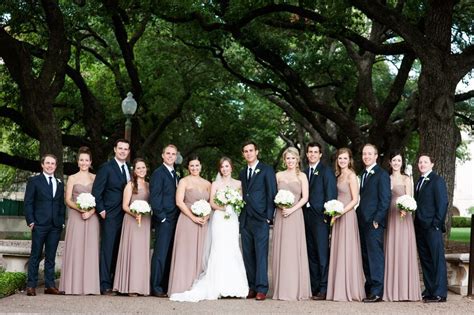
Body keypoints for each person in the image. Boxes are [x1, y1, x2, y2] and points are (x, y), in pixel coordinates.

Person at [170, 157, 248, 302]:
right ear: (220, 169)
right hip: (219, 218)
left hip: (231, 220)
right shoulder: (215, 184)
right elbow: (211, 202)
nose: (225, 169)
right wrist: (225, 207)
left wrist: (233, 207)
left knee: (232, 248)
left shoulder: (238, 184)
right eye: (222, 167)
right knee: (218, 248)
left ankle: (234, 286)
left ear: (231, 168)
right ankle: (217, 285)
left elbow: (241, 202)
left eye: (227, 166)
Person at [239, 141, 277, 301]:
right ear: (243, 154)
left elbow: (272, 193)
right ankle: (252, 286)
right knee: (248, 254)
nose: (249, 153)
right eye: (246, 151)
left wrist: (269, 216)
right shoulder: (242, 172)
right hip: (246, 219)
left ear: (257, 152)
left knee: (261, 254)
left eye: (251, 150)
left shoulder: (267, 170)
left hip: (261, 218)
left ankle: (262, 288)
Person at [92, 139, 131, 295]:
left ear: (128, 151)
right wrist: (101, 210)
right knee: (107, 249)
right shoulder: (106, 168)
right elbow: (96, 191)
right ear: (115, 149)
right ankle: (104, 284)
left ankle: (117, 282)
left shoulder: (129, 169)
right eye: (120, 148)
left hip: (126, 215)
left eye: (125, 149)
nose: (122, 151)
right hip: (110, 214)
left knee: (119, 248)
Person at [168, 155, 211, 295]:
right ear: (188, 168)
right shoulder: (183, 181)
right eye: (192, 166)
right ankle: (182, 284)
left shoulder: (207, 184)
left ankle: (198, 284)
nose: (194, 168)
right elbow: (179, 202)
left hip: (203, 223)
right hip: (187, 220)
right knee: (186, 252)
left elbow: (211, 203)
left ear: (201, 166)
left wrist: (206, 216)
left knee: (201, 252)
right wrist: (193, 217)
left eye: (197, 165)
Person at [272, 147, 311, 301]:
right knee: (282, 249)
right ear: (284, 160)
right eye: (288, 158)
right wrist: (280, 206)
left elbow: (305, 197)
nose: (290, 161)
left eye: (293, 158)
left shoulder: (302, 176)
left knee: (294, 250)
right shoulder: (278, 175)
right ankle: (281, 288)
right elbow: (273, 195)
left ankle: (295, 288)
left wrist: (292, 209)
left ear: (297, 160)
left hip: (295, 215)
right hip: (281, 215)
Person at [59, 147, 100, 295]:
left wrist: (91, 211)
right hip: (76, 217)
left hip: (92, 217)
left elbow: (99, 199)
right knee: (75, 249)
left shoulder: (95, 178)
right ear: (78, 162)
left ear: (90, 162)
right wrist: (80, 208)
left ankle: (89, 286)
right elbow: (67, 199)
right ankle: (73, 285)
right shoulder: (72, 178)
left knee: (90, 250)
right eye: (81, 160)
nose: (84, 162)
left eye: (86, 160)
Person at [326, 148, 365, 301]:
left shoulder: (351, 175)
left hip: (347, 215)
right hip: (336, 216)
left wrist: (341, 212)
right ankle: (338, 287)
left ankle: (349, 287)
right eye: (340, 158)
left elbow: (355, 199)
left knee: (347, 250)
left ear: (350, 160)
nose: (342, 161)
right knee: (338, 249)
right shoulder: (338, 175)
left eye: (345, 158)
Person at [24, 154, 66, 296]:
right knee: (35, 255)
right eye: (47, 163)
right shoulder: (34, 181)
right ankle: (31, 285)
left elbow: (61, 204)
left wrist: (61, 222)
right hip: (39, 224)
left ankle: (50, 286)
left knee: (51, 256)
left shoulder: (59, 183)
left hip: (55, 225)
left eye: (52, 163)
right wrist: (31, 221)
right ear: (42, 164)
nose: (50, 166)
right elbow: (28, 202)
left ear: (56, 165)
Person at [383, 151, 421, 301]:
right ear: (390, 162)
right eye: (394, 160)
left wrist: (406, 209)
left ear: (402, 162)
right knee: (391, 249)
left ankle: (406, 290)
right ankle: (392, 289)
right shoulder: (386, 178)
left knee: (403, 249)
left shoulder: (407, 178)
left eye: (399, 160)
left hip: (403, 217)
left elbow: (410, 199)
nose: (396, 163)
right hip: (390, 216)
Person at [357, 143, 391, 303]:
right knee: (365, 256)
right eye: (364, 154)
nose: (366, 156)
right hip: (362, 222)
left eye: (370, 154)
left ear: (376, 156)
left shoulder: (381, 174)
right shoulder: (363, 174)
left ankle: (377, 291)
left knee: (375, 257)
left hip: (374, 223)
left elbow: (385, 200)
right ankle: (369, 288)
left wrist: (377, 219)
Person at [303, 142, 337, 300]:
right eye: (310, 152)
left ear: (320, 154)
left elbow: (330, 195)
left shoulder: (326, 171)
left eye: (315, 152)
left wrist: (327, 216)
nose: (312, 154)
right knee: (311, 253)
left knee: (322, 254)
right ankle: (315, 287)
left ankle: (324, 288)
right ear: (307, 154)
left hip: (320, 218)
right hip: (306, 217)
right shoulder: (303, 172)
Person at [113, 158, 151, 296]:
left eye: (143, 167)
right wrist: (135, 213)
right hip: (132, 221)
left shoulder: (148, 185)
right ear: (134, 171)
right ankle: (129, 286)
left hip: (145, 221)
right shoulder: (130, 185)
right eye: (138, 168)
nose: (141, 170)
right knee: (133, 252)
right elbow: (124, 206)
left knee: (141, 253)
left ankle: (141, 286)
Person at [414, 154, 448, 303]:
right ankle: (429, 289)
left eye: (425, 162)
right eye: (420, 162)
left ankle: (440, 293)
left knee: (437, 260)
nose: (422, 164)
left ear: (432, 164)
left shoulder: (437, 180)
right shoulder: (418, 181)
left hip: (432, 227)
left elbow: (442, 204)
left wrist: (436, 224)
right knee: (426, 260)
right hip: (420, 227)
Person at [150, 144, 180, 297]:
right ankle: (155, 286)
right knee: (160, 253)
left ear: (176, 156)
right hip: (164, 219)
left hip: (175, 219)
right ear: (163, 155)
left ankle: (165, 284)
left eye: (173, 154)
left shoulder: (176, 174)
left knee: (169, 253)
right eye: (167, 153)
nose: (170, 156)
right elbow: (155, 198)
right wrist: (161, 217)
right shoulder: (158, 173)